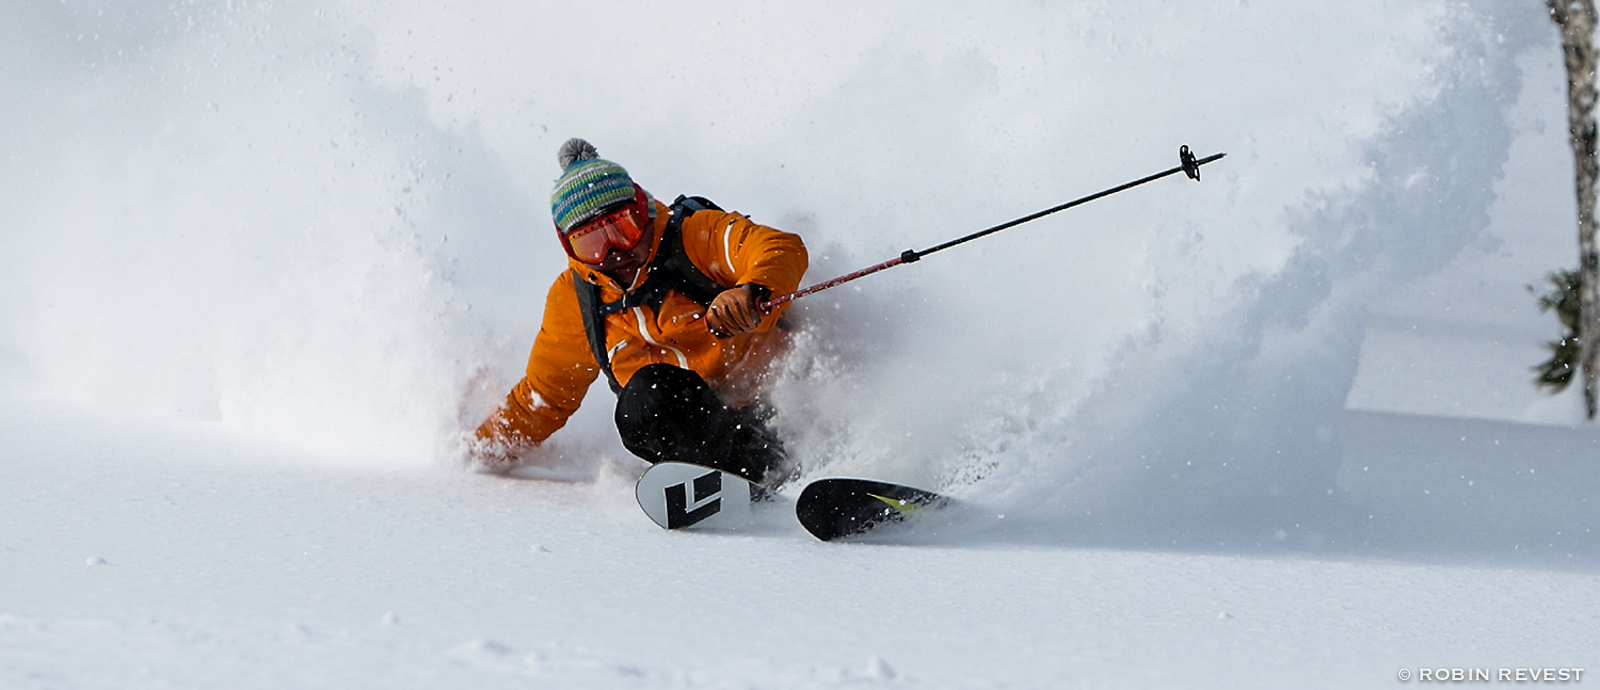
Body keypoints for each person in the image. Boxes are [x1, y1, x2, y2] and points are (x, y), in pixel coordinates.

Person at [467, 138, 808, 487]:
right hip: (700, 429)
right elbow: (543, 398)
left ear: (643, 211)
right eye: (591, 243)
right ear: (569, 247)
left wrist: (752, 291)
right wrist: (477, 452)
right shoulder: (577, 299)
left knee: (652, 395)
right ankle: (729, 481)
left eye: (623, 228)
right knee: (644, 401)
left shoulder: (696, 236)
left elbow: (778, 248)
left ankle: (778, 471)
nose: (614, 252)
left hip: (780, 407)